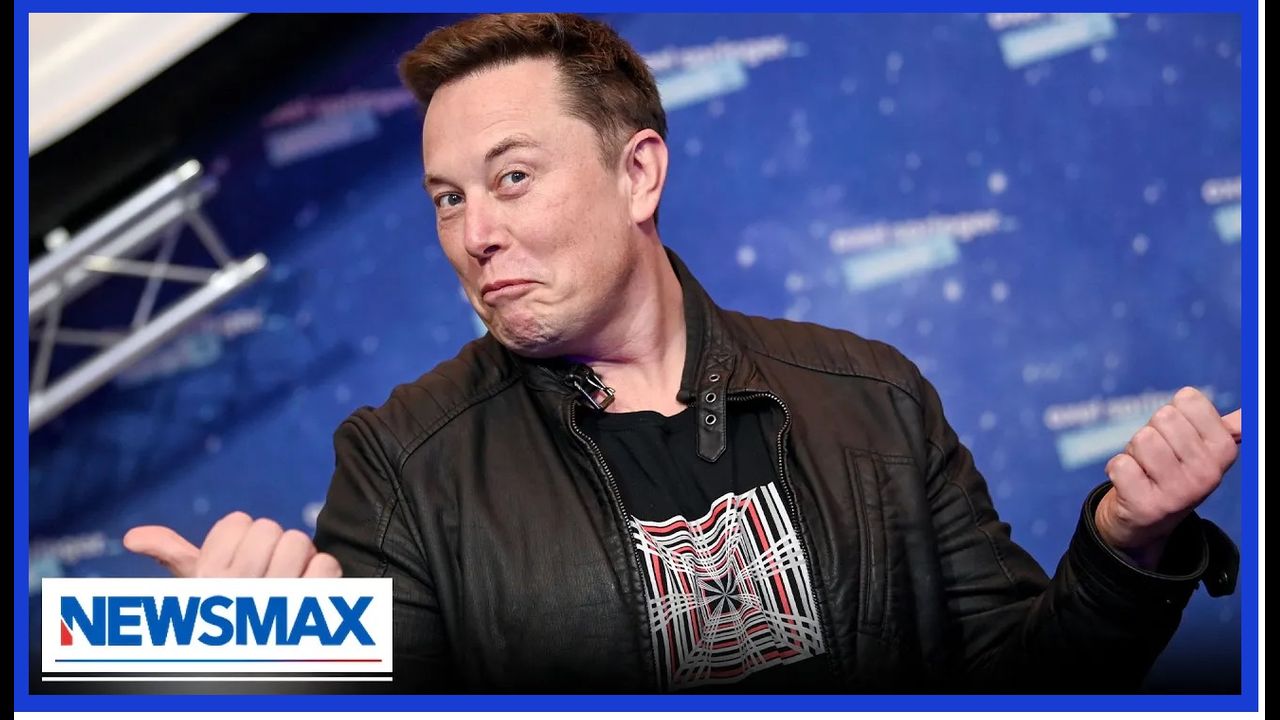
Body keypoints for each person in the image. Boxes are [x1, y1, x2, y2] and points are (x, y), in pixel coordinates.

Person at [124, 13, 1243, 693]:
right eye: (448, 197)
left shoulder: (872, 395)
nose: (475, 232)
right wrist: (274, 663)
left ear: (639, 173)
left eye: (512, 177)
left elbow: (1021, 682)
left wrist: (1122, 547)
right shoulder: (402, 464)